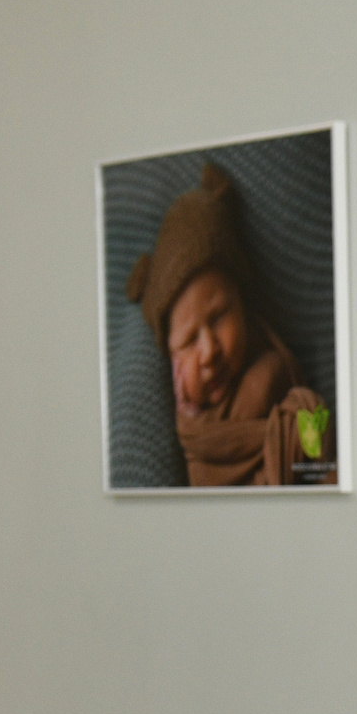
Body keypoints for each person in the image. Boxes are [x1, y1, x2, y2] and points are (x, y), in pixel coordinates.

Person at [123, 162, 330, 485]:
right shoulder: (195, 435)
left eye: (219, 316)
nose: (209, 351)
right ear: (171, 361)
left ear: (242, 305)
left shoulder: (273, 368)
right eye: (189, 340)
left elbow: (317, 440)